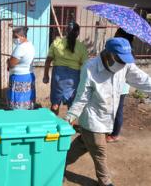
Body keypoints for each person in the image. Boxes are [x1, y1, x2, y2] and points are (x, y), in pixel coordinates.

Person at [64, 37, 151, 186]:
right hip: (93, 117)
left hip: (107, 117)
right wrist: (70, 117)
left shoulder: (125, 65)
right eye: (120, 59)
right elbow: (82, 97)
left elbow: (142, 79)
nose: (123, 63)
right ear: (109, 54)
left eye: (125, 60)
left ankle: (58, 162)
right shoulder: (90, 67)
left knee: (83, 143)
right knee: (99, 151)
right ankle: (105, 181)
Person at [43, 22, 88, 115]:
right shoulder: (81, 47)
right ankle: (70, 126)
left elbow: (48, 60)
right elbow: (85, 65)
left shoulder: (56, 43)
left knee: (55, 103)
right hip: (74, 78)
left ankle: (54, 125)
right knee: (72, 104)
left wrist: (46, 75)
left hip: (58, 76)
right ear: (78, 33)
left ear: (66, 31)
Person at [106, 28, 134, 142]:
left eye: (117, 34)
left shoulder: (126, 52)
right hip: (119, 86)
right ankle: (111, 130)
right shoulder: (128, 50)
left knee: (118, 110)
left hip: (121, 87)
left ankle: (115, 134)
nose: (114, 35)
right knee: (113, 109)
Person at [7, 26, 35, 109]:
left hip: (19, 78)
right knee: (27, 102)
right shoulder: (30, 45)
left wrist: (8, 61)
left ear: (23, 36)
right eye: (13, 36)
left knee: (17, 103)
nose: (14, 39)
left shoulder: (21, 48)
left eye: (16, 37)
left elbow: (11, 64)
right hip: (28, 76)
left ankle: (17, 118)